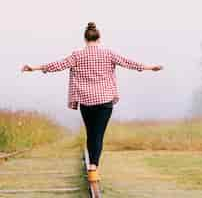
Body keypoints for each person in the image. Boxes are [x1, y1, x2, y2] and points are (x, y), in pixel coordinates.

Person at [21, 22, 163, 183]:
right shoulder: (108, 53)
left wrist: (34, 68)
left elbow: (57, 65)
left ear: (85, 38)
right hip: (105, 101)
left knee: (90, 133)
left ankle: (93, 167)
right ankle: (94, 166)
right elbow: (129, 63)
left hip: (86, 101)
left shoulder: (77, 55)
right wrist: (150, 67)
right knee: (98, 135)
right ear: (99, 38)